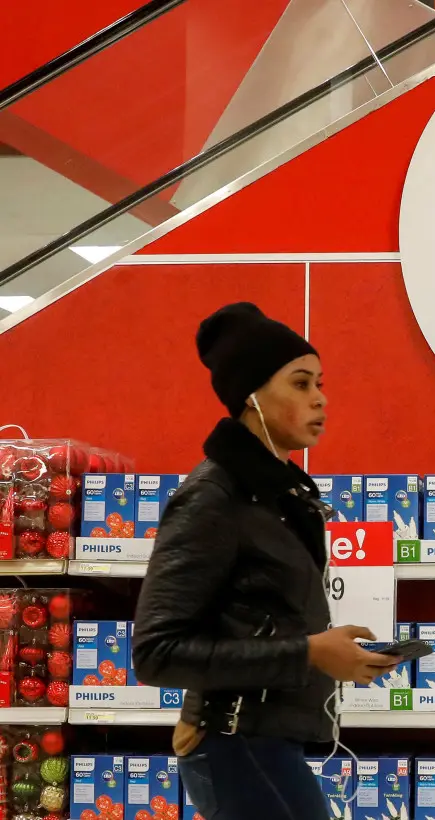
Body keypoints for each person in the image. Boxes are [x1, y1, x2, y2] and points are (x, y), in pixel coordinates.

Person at [132, 303, 398, 820]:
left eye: (320, 383)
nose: (320, 399)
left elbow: (262, 621)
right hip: (234, 741)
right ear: (251, 397)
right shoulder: (213, 498)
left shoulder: (277, 497)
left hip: (268, 740)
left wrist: (331, 655)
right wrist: (309, 655)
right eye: (300, 384)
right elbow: (156, 652)